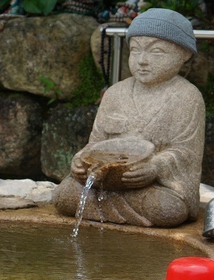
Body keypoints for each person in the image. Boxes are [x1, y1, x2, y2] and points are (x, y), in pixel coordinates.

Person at [53, 8, 205, 227]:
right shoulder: (115, 93)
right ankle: (122, 213)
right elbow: (95, 144)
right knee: (63, 195)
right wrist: (81, 161)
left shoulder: (187, 97)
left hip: (152, 187)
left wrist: (154, 168)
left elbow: (187, 152)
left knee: (166, 209)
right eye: (135, 50)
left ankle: (103, 211)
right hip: (107, 184)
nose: (142, 61)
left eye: (156, 52)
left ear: (184, 54)